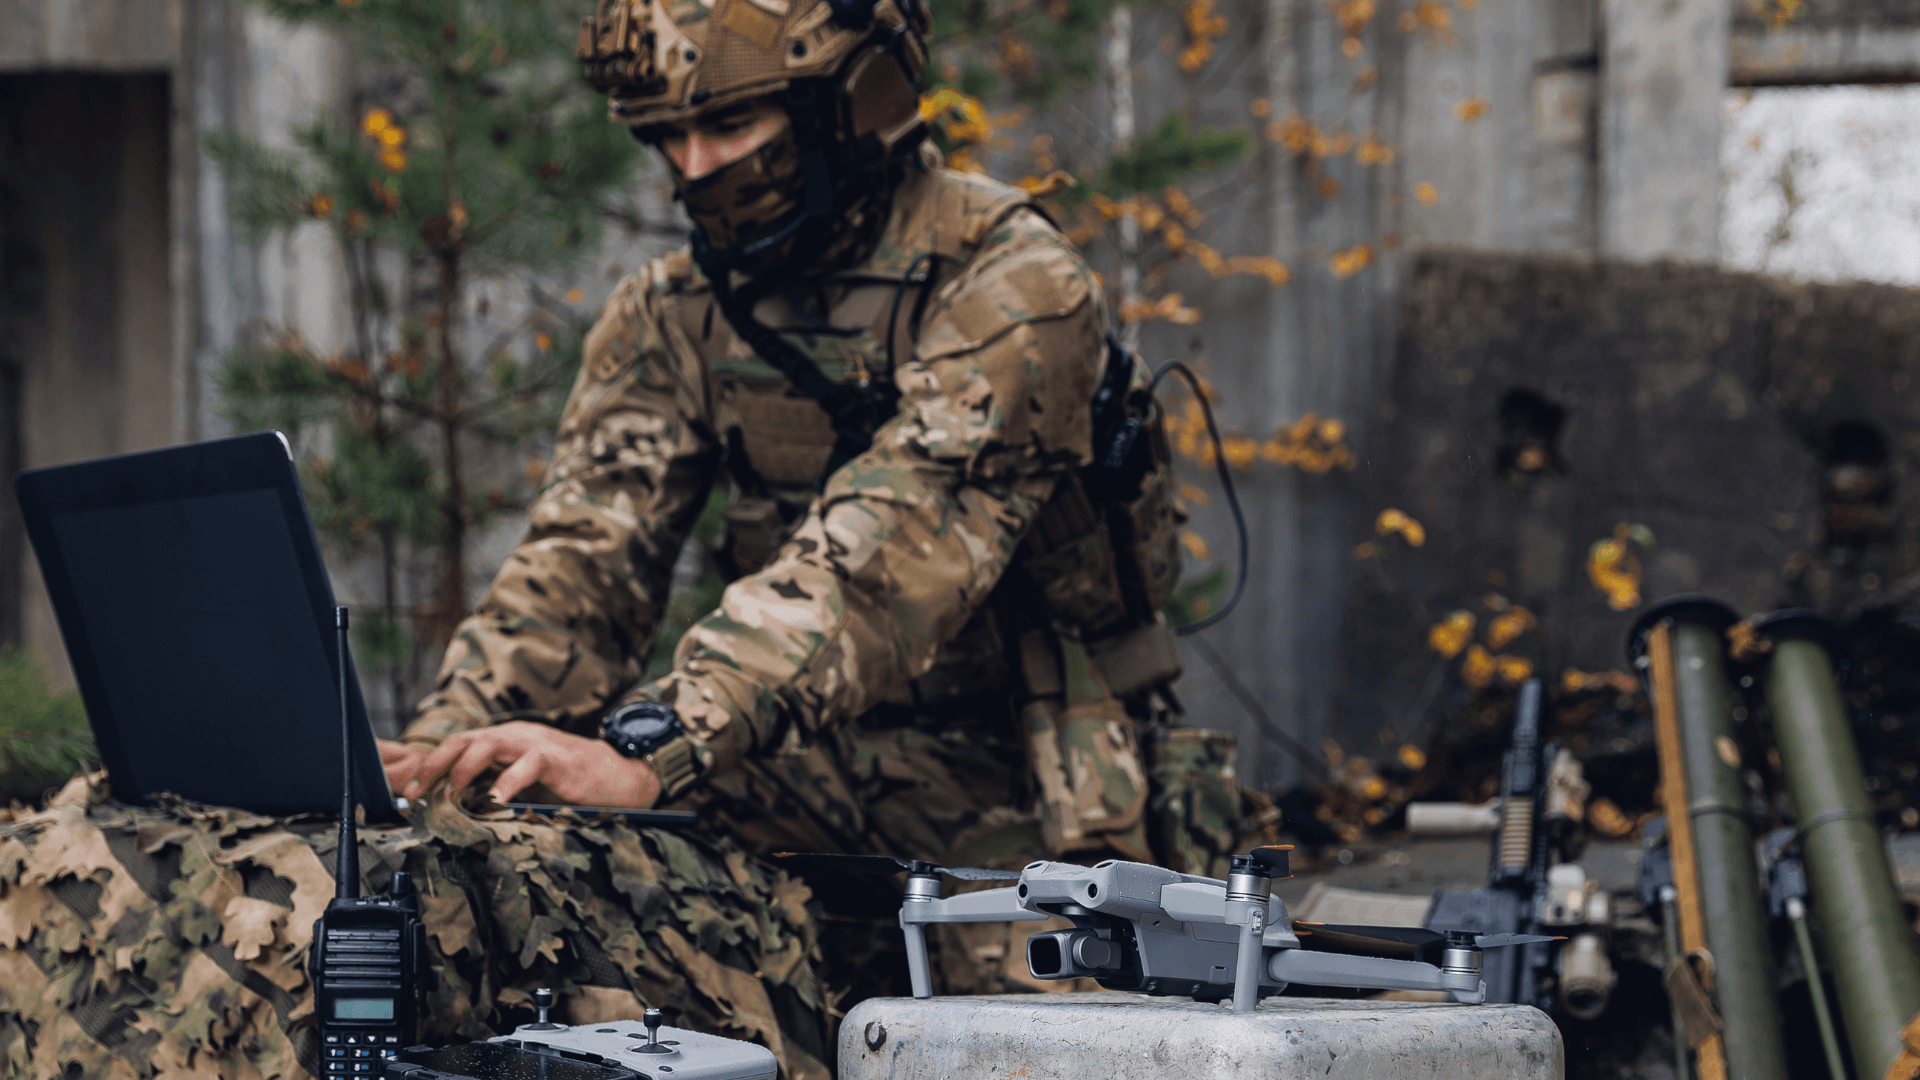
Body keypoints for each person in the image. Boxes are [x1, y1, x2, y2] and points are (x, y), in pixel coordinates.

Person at [0, 0, 1243, 1074]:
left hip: (1026, 775)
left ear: (849, 104)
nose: (692, 168)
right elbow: (579, 569)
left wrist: (656, 744)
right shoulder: (677, 310)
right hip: (780, 761)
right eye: (668, 141)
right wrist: (439, 765)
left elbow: (881, 560)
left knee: (1041, 1055)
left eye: (729, 129)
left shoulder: (1015, 288)